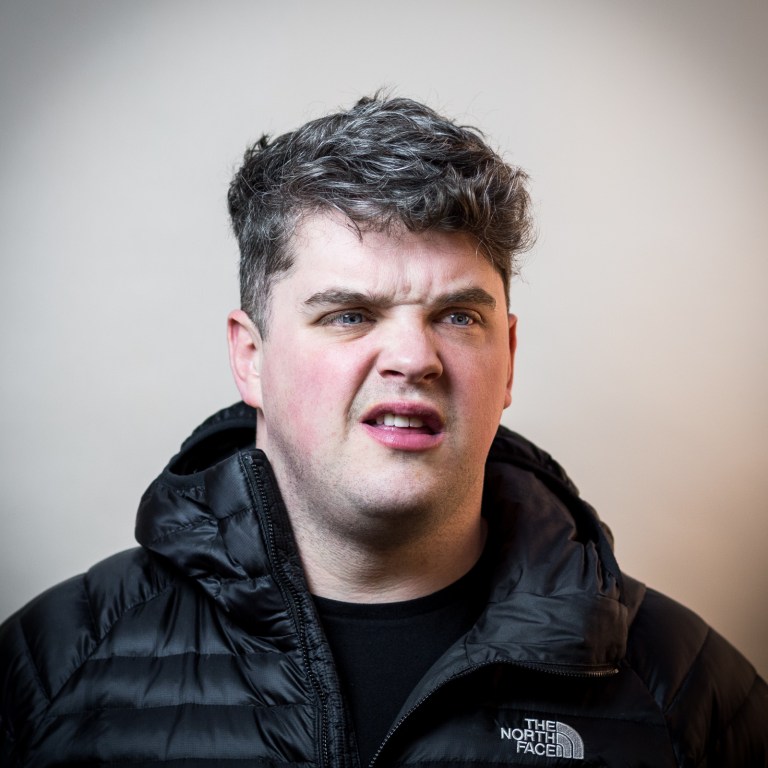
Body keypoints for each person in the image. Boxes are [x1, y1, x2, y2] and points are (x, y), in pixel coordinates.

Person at [1, 94, 766, 768]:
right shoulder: (50, 669)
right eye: (350, 315)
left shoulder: (689, 694)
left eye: (457, 317)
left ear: (508, 358)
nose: (413, 358)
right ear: (250, 358)